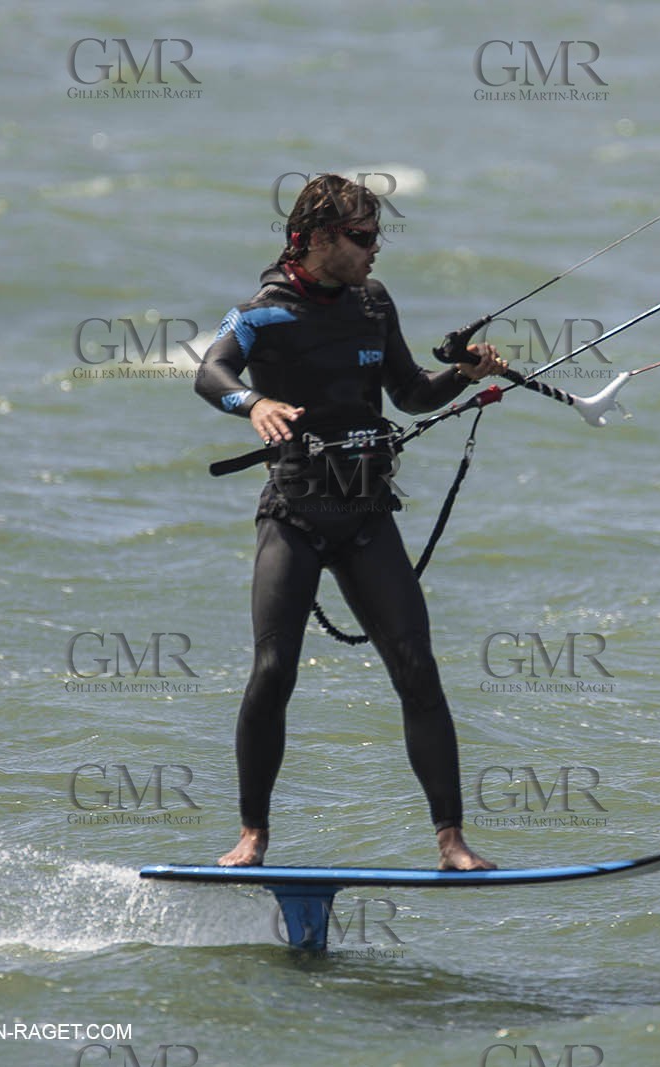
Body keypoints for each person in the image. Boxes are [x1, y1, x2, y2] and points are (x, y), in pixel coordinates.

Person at [195, 173, 505, 870]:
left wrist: (463, 374)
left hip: (367, 513)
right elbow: (209, 372)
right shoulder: (261, 312)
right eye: (363, 237)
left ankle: (452, 841)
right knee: (274, 668)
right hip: (296, 511)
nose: (375, 250)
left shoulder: (373, 303)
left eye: (377, 236)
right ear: (318, 239)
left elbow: (410, 393)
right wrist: (251, 405)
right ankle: (252, 836)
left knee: (417, 667)